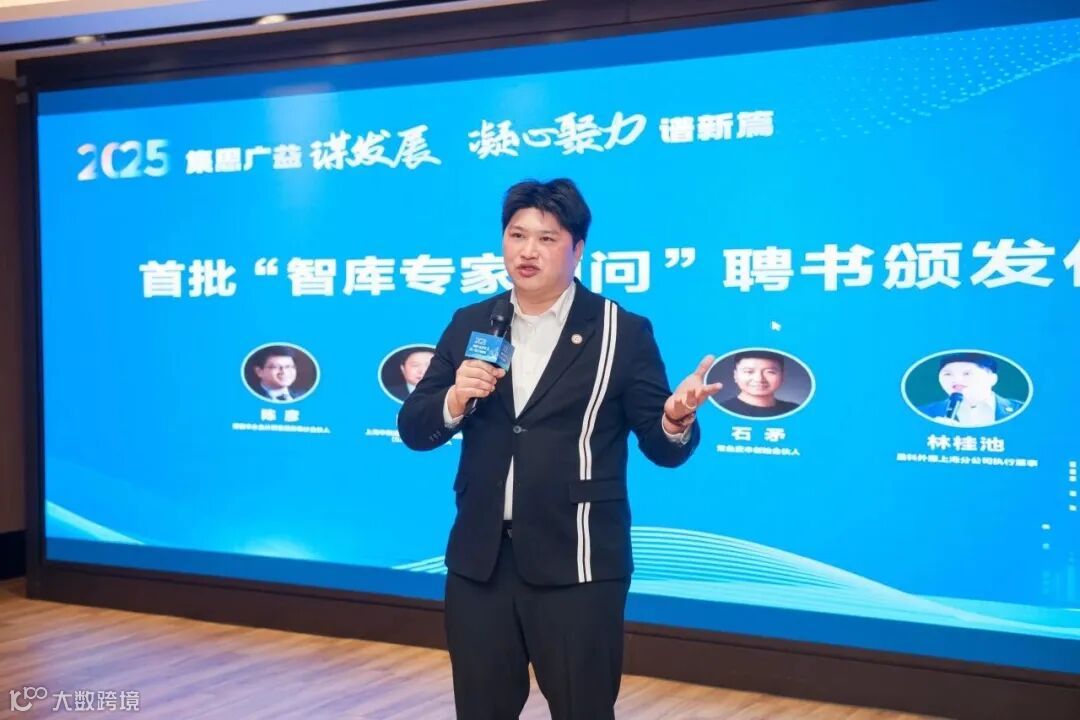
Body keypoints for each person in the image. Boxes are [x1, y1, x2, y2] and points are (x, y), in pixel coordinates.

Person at [397, 178, 721, 720]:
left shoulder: (621, 331)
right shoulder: (472, 322)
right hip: (481, 562)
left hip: (579, 563)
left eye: (547, 238)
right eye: (517, 235)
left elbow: (662, 447)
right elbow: (414, 428)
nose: (528, 251)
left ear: (578, 249)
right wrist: (454, 398)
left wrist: (674, 417)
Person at [918, 352, 1024, 427]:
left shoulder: (1020, 410)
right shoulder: (923, 413)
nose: (956, 380)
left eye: (967, 373)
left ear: (992, 379)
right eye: (948, 374)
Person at [719, 350, 800, 418]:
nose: (759, 379)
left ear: (782, 376)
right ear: (735, 375)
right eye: (749, 371)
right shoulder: (720, 411)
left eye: (770, 372)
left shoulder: (796, 411)